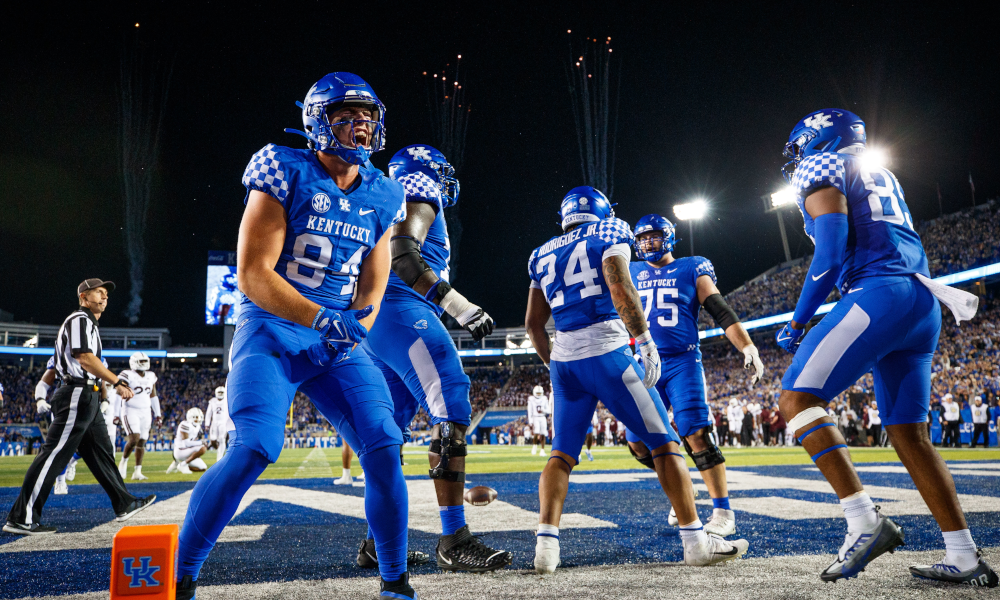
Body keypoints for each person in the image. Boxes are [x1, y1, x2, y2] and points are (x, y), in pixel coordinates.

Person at [172, 73, 416, 600]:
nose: (361, 125)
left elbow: (374, 281)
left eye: (368, 115)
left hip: (334, 341)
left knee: (383, 442)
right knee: (255, 445)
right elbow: (253, 274)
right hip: (272, 328)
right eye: (346, 115)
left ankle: (395, 580)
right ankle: (181, 573)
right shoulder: (283, 168)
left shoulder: (384, 190)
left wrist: (357, 327)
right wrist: (322, 318)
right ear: (316, 121)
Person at [774, 108, 996, 586]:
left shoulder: (822, 166)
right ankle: (962, 553)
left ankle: (863, 521)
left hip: (879, 292)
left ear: (817, 140)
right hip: (921, 301)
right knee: (909, 434)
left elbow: (830, 253)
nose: (797, 161)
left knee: (796, 399)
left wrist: (797, 317)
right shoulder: (881, 170)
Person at [524, 186, 748, 574]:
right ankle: (695, 541)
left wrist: (556, 364)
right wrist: (644, 342)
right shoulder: (609, 231)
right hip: (608, 350)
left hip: (564, 359)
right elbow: (618, 284)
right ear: (601, 210)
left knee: (561, 455)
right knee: (665, 444)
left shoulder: (541, 252)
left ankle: (546, 549)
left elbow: (533, 324)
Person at [357, 144, 508, 572]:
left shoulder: (380, 193)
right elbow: (404, 256)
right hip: (404, 310)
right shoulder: (416, 187)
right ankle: (454, 538)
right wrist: (461, 307)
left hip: (374, 320)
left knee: (388, 432)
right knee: (451, 402)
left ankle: (378, 543)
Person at [626, 213, 764, 535]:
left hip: (682, 362)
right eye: (642, 238)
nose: (648, 243)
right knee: (638, 444)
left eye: (654, 236)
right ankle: (683, 488)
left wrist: (747, 347)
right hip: (643, 363)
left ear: (669, 237)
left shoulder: (691, 267)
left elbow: (720, 309)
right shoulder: (630, 270)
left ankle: (723, 512)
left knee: (695, 432)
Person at [5, 279, 155, 535]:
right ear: (84, 296)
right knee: (53, 455)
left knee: (102, 453)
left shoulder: (90, 325)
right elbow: (84, 358)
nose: (105, 297)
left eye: (106, 294)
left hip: (89, 395)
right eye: (99, 292)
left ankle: (124, 503)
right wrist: (117, 381)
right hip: (76, 392)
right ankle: (22, 517)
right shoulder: (79, 320)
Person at [114, 352, 162, 481]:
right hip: (130, 410)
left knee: (142, 441)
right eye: (141, 361)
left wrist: (158, 414)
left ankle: (137, 471)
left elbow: (153, 395)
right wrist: (116, 414)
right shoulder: (127, 374)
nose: (144, 364)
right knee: (134, 438)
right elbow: (119, 392)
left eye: (145, 361)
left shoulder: (151, 376)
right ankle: (123, 462)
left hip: (146, 411)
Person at [167, 408, 209, 474]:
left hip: (187, 451)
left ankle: (178, 465)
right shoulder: (185, 424)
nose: (199, 419)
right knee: (202, 448)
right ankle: (182, 464)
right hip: (181, 451)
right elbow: (186, 443)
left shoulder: (198, 427)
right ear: (190, 418)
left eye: (200, 417)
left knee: (203, 468)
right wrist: (201, 442)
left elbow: (193, 442)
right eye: (196, 417)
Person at [204, 386, 230, 462]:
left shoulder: (227, 400)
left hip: (223, 422)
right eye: (219, 392)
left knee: (222, 439)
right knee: (213, 440)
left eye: (222, 392)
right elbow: (208, 413)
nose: (220, 394)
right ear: (216, 393)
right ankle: (217, 448)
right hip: (214, 423)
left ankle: (220, 458)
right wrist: (207, 424)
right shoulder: (212, 401)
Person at [528, 386, 549, 456]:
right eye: (537, 393)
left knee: (543, 433)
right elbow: (529, 410)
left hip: (542, 417)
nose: (539, 394)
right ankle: (534, 446)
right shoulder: (531, 399)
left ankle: (542, 450)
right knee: (536, 432)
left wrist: (543, 410)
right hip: (535, 417)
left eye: (540, 393)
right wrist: (530, 421)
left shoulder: (544, 398)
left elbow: (549, 410)